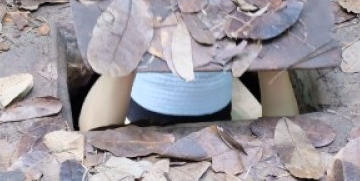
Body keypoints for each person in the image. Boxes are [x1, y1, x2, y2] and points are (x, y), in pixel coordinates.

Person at [78, 69, 300, 130]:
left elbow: (286, 134)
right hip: (137, 113)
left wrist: (272, 59)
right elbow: (92, 133)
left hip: (218, 120)